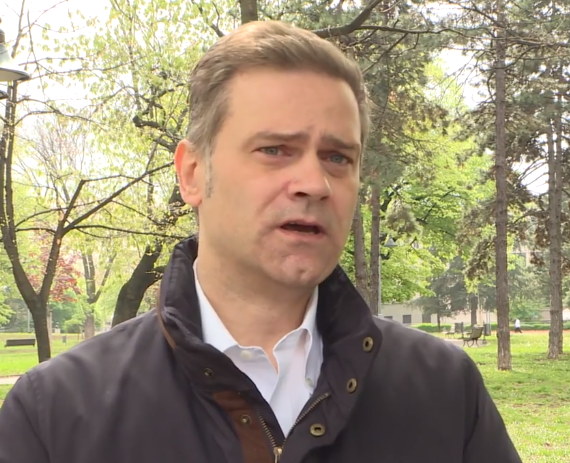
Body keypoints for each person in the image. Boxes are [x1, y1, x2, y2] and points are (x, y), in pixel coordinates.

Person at [0, 21, 522, 463]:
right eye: (275, 149)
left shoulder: (444, 390)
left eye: (337, 157)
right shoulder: (55, 413)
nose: (314, 183)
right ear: (193, 173)